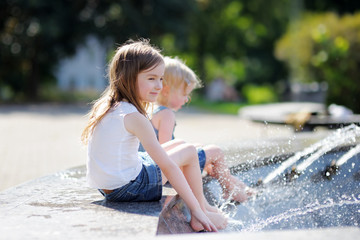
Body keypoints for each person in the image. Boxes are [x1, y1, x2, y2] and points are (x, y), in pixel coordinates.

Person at [81, 39, 227, 232]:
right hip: (129, 187)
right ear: (128, 78)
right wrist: (194, 209)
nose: (158, 85)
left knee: (181, 144)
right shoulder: (135, 117)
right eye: (151, 78)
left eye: (161, 78)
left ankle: (205, 207)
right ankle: (200, 212)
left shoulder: (108, 106)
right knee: (190, 152)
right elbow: (168, 165)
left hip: (110, 185)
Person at [141, 56, 255, 203]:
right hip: (163, 172)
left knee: (201, 151)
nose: (187, 99)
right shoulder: (167, 114)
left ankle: (240, 187)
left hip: (154, 170)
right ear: (166, 91)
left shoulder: (152, 110)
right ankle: (230, 190)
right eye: (184, 94)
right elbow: (166, 152)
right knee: (216, 152)